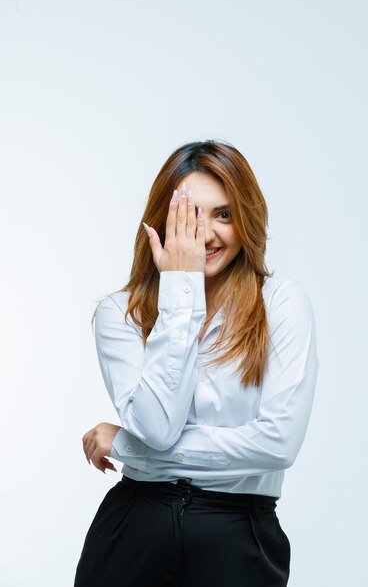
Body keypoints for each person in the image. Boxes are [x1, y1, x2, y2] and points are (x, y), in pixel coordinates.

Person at [73, 140, 319, 587]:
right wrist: (180, 290)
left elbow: (277, 444)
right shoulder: (119, 312)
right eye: (189, 215)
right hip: (134, 528)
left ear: (246, 221)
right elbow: (160, 427)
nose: (204, 234)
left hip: (238, 533)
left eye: (223, 215)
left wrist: (130, 447)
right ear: (161, 220)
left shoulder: (281, 304)